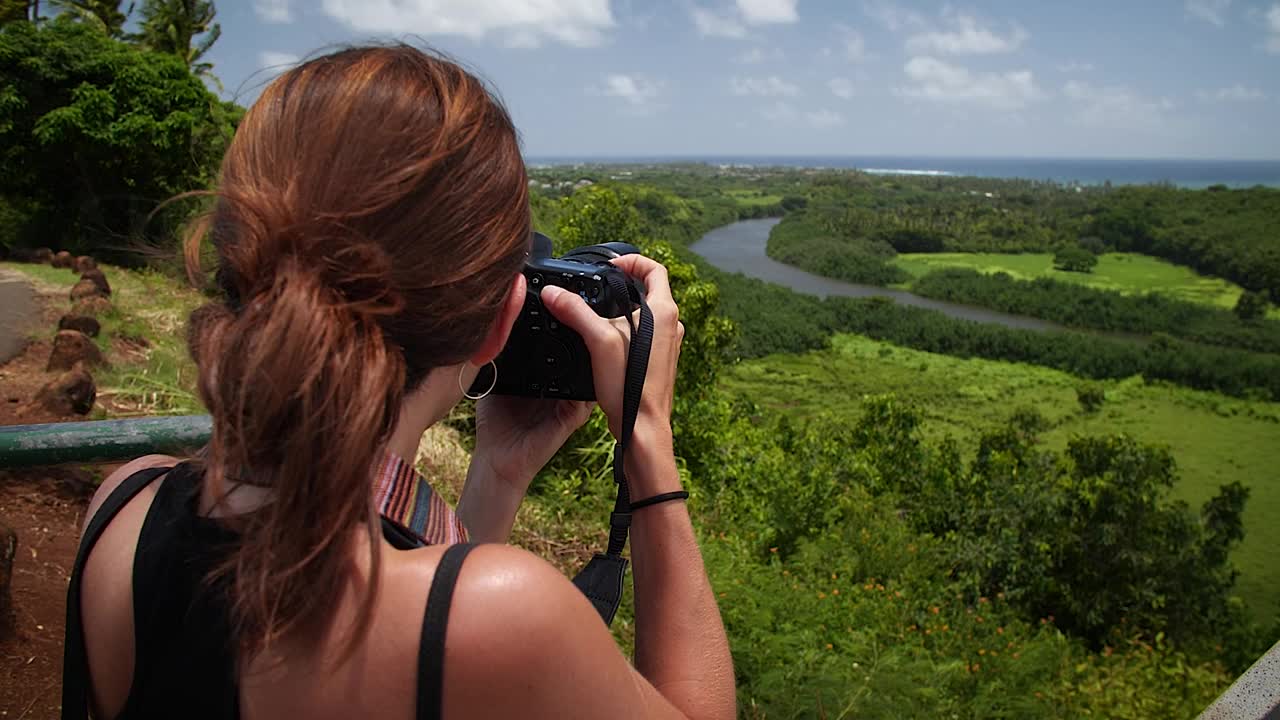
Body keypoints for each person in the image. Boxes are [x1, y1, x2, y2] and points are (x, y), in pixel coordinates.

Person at [63, 45, 735, 720]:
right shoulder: (509, 617)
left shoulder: (125, 508)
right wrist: (647, 444)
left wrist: (497, 476)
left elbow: (424, 625)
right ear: (499, 322)